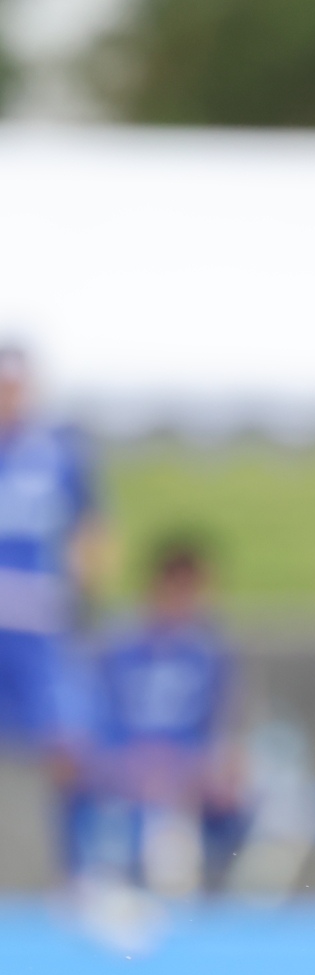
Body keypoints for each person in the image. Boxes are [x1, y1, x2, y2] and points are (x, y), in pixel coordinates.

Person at [69, 537, 244, 895]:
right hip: (124, 770)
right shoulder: (116, 647)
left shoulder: (209, 654)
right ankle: (87, 882)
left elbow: (218, 731)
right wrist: (130, 765)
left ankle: (233, 898)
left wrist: (205, 766)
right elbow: (94, 725)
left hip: (185, 775)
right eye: (181, 589)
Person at [0, 345, 105, 882]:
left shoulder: (56, 454)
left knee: (68, 744)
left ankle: (77, 872)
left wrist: (83, 594)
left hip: (39, 628)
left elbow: (90, 527)